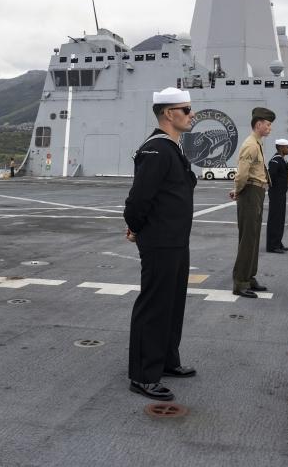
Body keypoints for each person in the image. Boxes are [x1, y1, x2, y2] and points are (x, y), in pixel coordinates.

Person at [123, 87, 197, 401]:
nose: (191, 114)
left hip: (176, 239)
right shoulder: (156, 149)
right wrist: (135, 227)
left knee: (173, 302)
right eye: (186, 109)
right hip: (160, 241)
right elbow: (139, 197)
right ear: (169, 113)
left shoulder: (172, 148)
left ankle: (167, 360)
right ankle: (143, 374)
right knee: (154, 305)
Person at [229, 107, 274, 298]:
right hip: (250, 192)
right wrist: (238, 190)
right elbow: (242, 174)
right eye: (268, 124)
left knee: (253, 237)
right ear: (259, 124)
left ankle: (249, 276)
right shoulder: (251, 145)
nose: (270, 128)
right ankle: (240, 282)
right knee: (248, 239)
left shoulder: (258, 143)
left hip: (257, 191)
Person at [266, 139, 288, 253]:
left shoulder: (281, 160)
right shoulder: (275, 160)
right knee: (275, 219)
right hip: (276, 194)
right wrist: (274, 191)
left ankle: (277, 242)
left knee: (280, 219)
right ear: (281, 148)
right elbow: (271, 177)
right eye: (287, 147)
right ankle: (272, 246)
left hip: (281, 194)